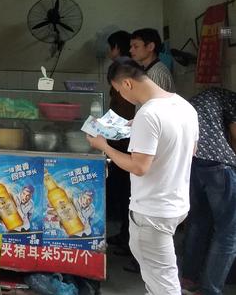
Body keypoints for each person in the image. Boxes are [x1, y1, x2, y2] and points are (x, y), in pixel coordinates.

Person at [87, 57, 198, 295]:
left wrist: (103, 146)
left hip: (152, 211)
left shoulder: (148, 114)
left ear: (127, 84)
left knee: (164, 283)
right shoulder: (183, 106)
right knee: (158, 277)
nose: (122, 96)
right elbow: (191, 150)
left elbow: (138, 166)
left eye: (119, 91)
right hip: (176, 205)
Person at [181, 87, 236, 295]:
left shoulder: (206, 97)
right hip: (218, 166)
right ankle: (209, 290)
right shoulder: (232, 101)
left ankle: (188, 278)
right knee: (228, 232)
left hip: (193, 161)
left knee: (198, 222)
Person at [105, 31, 135, 251]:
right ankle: (125, 235)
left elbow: (123, 110)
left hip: (124, 141)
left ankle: (128, 239)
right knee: (123, 191)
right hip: (119, 139)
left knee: (126, 192)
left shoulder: (125, 71)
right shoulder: (127, 70)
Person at [130, 28, 175, 92]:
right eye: (131, 47)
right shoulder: (149, 69)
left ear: (150, 47)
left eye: (136, 46)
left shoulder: (156, 73)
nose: (130, 50)